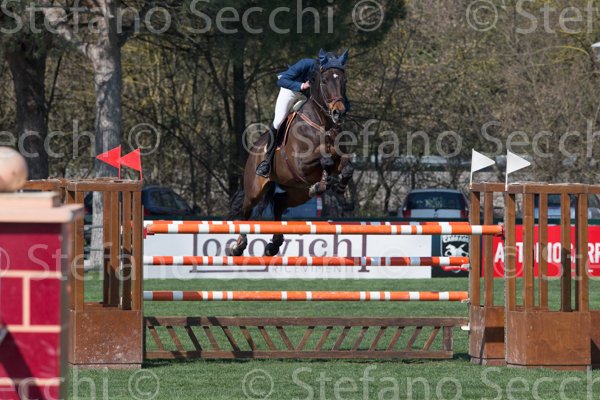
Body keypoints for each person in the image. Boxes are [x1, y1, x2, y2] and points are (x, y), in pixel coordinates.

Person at [255, 49, 350, 178]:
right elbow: (282, 80)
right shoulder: (306, 64)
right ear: (321, 66)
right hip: (290, 90)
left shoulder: (329, 77)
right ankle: (267, 161)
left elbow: (338, 94)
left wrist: (344, 109)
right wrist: (301, 86)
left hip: (307, 96)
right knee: (278, 121)